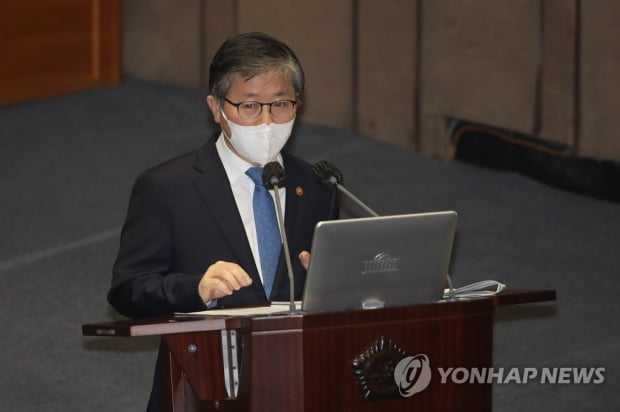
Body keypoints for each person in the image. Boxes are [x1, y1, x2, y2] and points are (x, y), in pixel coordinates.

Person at [107, 32, 337, 411]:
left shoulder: (316, 185)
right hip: (205, 381)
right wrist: (197, 288)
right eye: (249, 106)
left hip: (298, 378)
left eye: (280, 104)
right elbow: (128, 290)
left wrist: (331, 283)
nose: (266, 121)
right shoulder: (167, 187)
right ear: (216, 108)